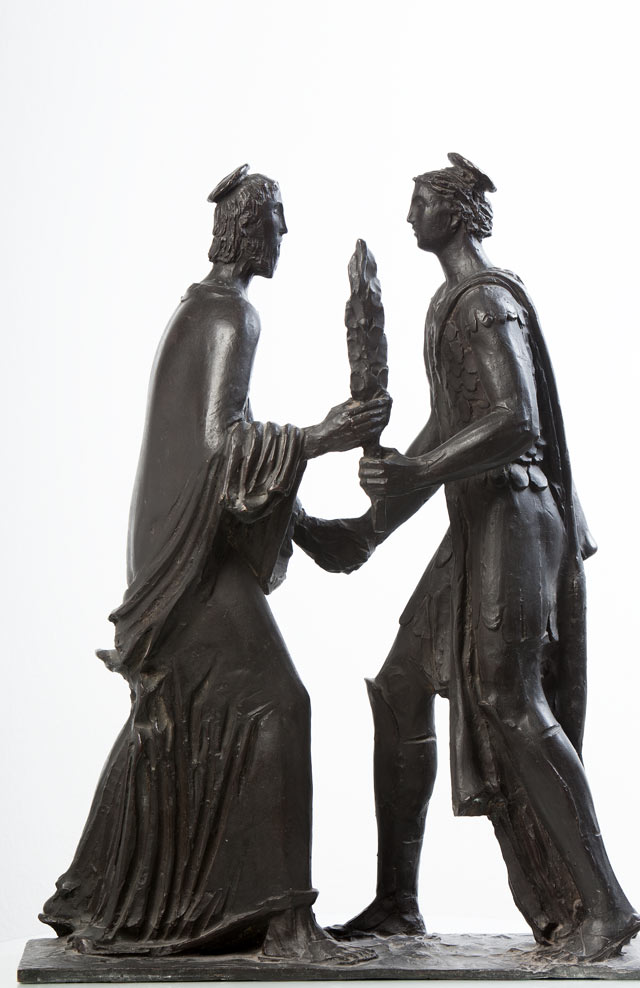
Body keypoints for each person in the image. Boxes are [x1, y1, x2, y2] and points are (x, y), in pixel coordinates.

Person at [294, 154, 640, 963]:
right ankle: (397, 903)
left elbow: (517, 422)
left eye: (419, 203)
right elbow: (449, 428)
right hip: (479, 522)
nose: (408, 215)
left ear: (454, 212)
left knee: (511, 701)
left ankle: (607, 906)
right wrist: (373, 525)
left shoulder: (484, 303)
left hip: (515, 517)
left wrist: (417, 471)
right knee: (400, 686)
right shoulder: (451, 303)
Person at [40, 165, 389, 963]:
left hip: (180, 550)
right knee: (278, 703)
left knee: (178, 711)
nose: (285, 234)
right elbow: (215, 448)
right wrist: (321, 437)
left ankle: (99, 893)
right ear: (245, 228)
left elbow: (223, 455)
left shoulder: (200, 309)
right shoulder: (231, 314)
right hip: (186, 566)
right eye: (276, 219)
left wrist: (309, 529)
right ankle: (288, 927)